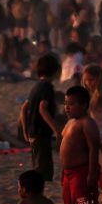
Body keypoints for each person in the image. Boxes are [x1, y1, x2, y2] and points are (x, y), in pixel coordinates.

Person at [60, 85, 102, 204]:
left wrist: (92, 174)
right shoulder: (71, 122)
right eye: (66, 103)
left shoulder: (87, 123)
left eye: (71, 104)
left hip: (82, 171)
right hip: (68, 173)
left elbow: (94, 148)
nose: (67, 107)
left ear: (84, 105)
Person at [20, 54, 61, 182]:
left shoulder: (36, 87)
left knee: (38, 163)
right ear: (55, 71)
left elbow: (23, 109)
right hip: (41, 132)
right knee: (44, 169)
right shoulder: (47, 87)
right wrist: (56, 130)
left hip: (33, 132)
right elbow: (42, 108)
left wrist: (25, 130)